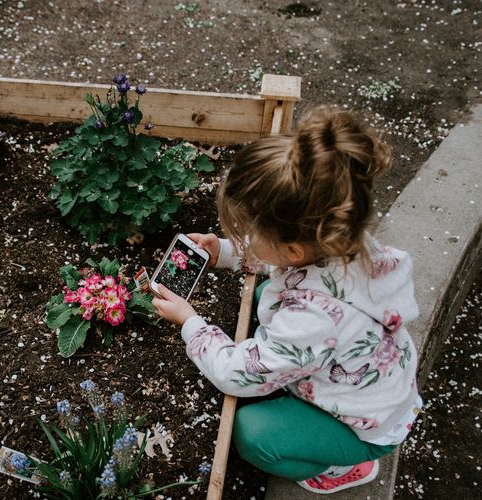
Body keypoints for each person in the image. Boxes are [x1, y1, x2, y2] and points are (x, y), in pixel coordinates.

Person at [152, 107, 422, 495]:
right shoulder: (346, 241)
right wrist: (226, 252)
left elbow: (236, 374)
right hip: (371, 380)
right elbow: (284, 262)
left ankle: (342, 466)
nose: (243, 234)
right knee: (266, 294)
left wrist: (191, 322)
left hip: (362, 425)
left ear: (294, 249)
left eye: (247, 230)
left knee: (252, 433)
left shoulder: (311, 320)